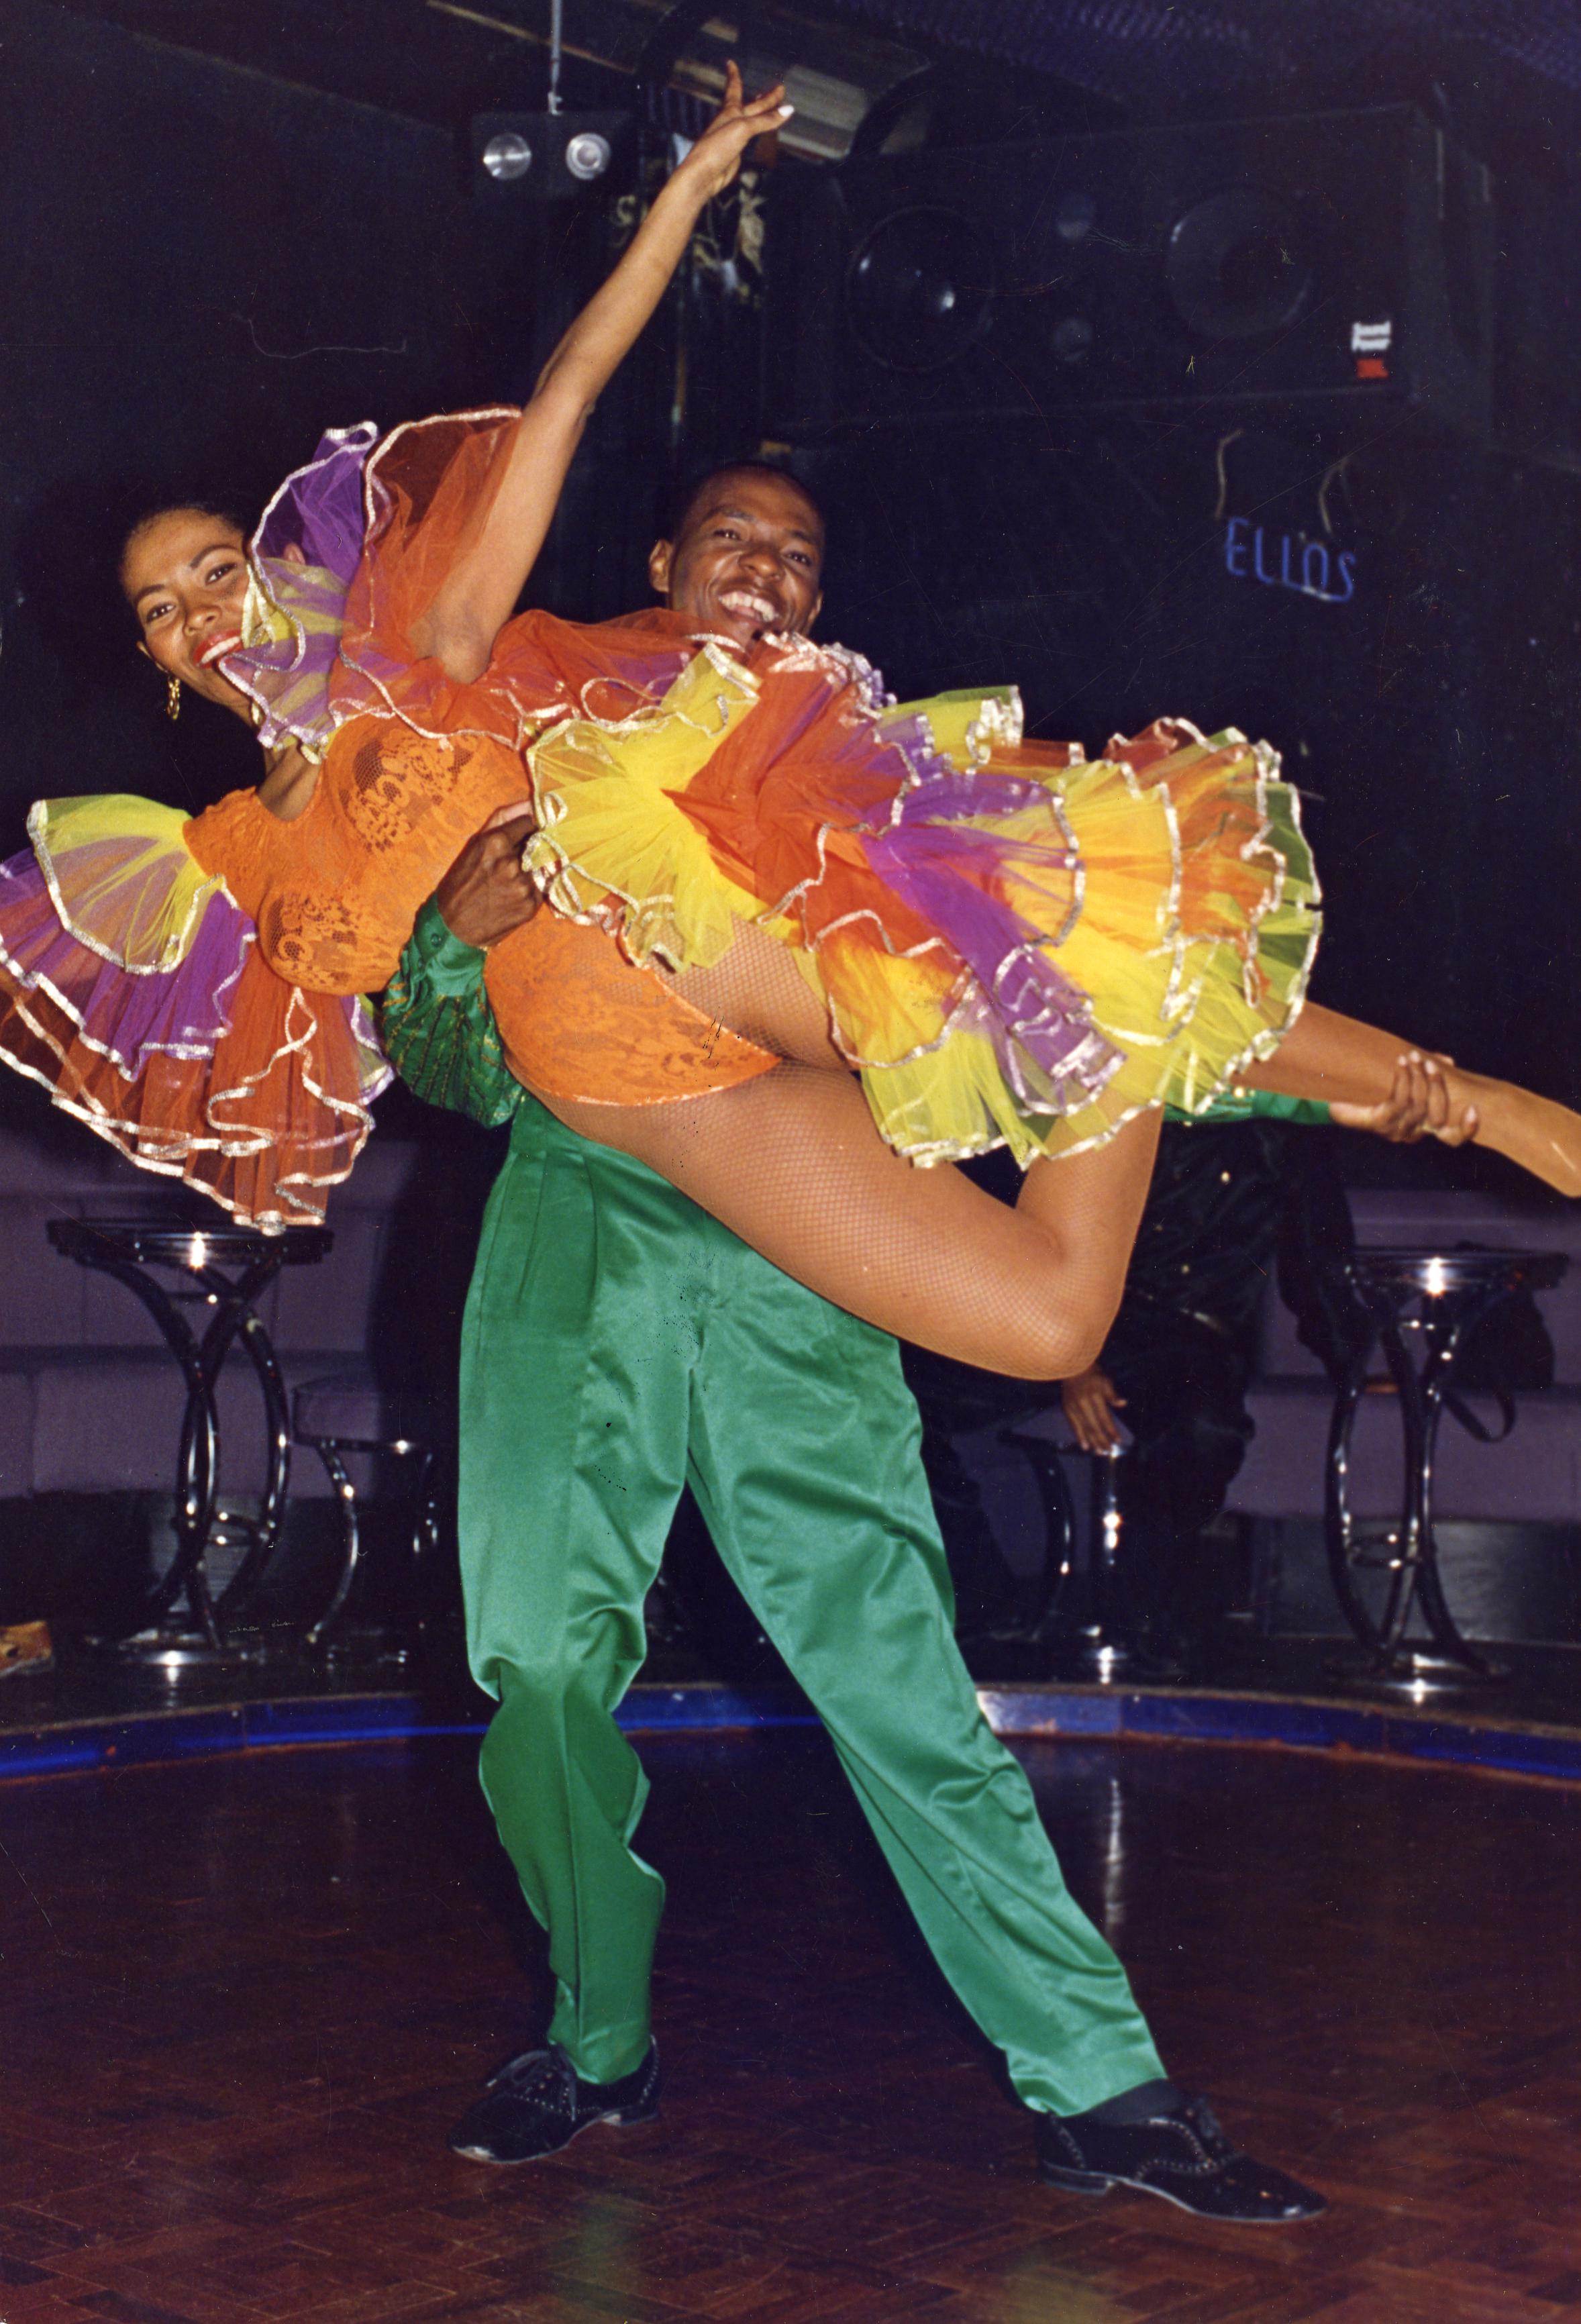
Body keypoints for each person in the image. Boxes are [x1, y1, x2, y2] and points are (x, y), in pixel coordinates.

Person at [0, 72, 1572, 1369]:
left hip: (681, 922)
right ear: (156, 658)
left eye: (216, 569)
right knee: (1047, 1325)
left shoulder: (427, 640)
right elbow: (372, 1024)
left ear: (278, 568)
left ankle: (1463, 1099)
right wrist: (442, 944)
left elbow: (565, 393)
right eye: (163, 606)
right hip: (613, 1066)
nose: (202, 611)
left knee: (1049, 961)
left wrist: (682, 199)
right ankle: (1347, 1080)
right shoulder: (215, 858)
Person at [379, 803, 1356, 2223]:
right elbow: (456, 1069)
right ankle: (596, 2042)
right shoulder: (542, 753)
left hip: (806, 1210)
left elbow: (1056, 1004)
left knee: (893, 1674)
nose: (757, 575)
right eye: (729, 554)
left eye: (793, 559)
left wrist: (1393, 1091)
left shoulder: (850, 771)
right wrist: (448, 943)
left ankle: (1102, 2088)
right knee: (535, 1663)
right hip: (578, 1200)